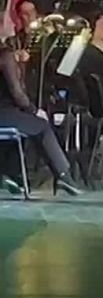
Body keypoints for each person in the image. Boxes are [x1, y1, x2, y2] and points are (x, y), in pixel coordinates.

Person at [0, 41, 82, 195]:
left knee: (23, 126)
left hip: (6, 115)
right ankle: (63, 175)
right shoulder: (5, 56)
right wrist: (34, 110)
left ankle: (12, 174)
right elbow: (18, 93)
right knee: (41, 125)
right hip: (4, 113)